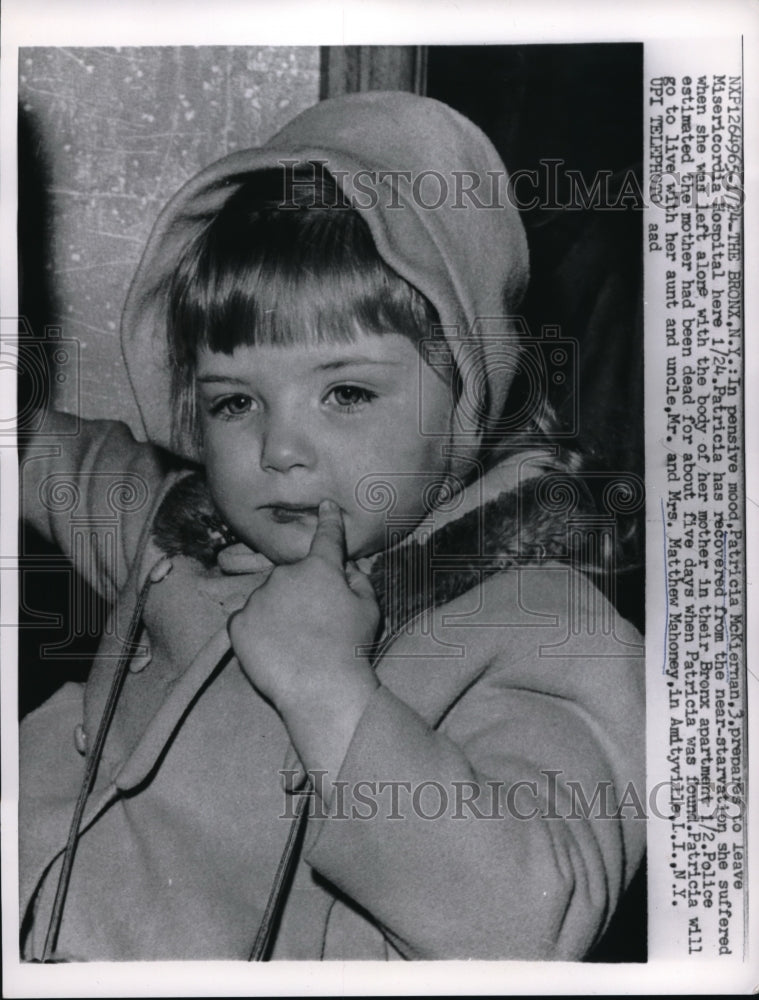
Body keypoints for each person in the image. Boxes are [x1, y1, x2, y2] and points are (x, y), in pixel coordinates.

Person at [19, 91, 645, 961]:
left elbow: (525, 924)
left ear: (465, 390)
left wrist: (327, 688)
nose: (278, 448)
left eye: (345, 393)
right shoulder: (183, 529)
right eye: (234, 401)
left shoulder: (543, 624)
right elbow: (48, 458)